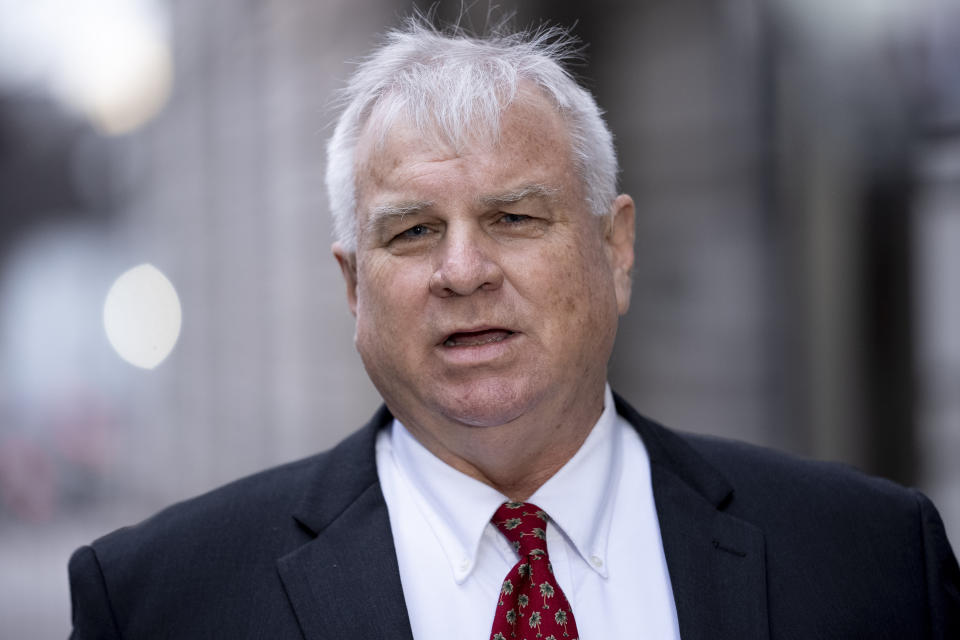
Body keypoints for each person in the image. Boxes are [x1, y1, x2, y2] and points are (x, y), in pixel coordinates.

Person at [68, 18, 959, 639]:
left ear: (616, 250)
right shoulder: (161, 604)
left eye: (515, 218)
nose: (463, 271)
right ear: (352, 289)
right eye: (413, 231)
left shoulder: (872, 563)